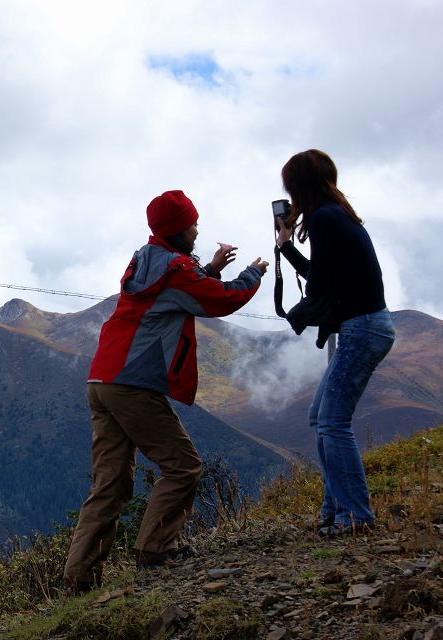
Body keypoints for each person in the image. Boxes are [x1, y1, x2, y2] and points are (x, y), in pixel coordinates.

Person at [64, 190, 268, 592]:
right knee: (183, 465)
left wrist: (207, 268)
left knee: (110, 485)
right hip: (132, 384)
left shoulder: (145, 259)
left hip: (101, 380)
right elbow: (223, 300)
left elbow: (178, 290)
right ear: (177, 230)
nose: (197, 229)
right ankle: (155, 550)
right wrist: (253, 274)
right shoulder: (175, 269)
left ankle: (78, 581)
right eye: (192, 224)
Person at [275, 149, 395, 537]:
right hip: (366, 327)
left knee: (332, 420)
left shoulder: (326, 219)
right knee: (319, 416)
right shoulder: (335, 214)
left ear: (298, 186)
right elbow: (322, 275)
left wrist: (295, 312)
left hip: (362, 329)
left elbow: (318, 285)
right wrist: (288, 246)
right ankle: (335, 506)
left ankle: (355, 514)